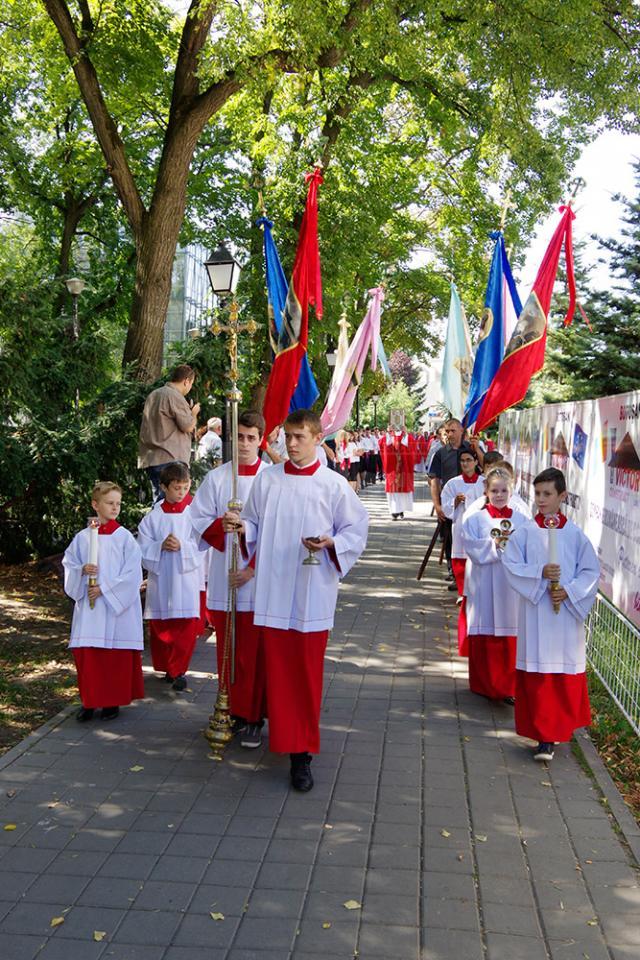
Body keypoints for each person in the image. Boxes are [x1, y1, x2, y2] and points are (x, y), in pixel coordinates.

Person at [228, 409, 368, 791]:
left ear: (317, 438)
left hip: (311, 590)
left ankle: (301, 754)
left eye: (299, 437)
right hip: (273, 590)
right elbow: (254, 523)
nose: (290, 443)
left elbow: (356, 529)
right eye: (287, 436)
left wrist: (331, 543)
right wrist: (243, 527)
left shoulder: (333, 485)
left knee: (305, 674)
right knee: (276, 669)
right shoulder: (268, 481)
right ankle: (279, 735)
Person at [502, 468, 599, 761]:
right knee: (537, 673)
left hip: (564, 617)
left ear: (562, 496)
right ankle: (543, 736)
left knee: (560, 671)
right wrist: (539, 574)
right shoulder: (526, 533)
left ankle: (556, 730)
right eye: (537, 494)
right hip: (535, 613)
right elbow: (511, 564)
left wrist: (569, 590)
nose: (541, 500)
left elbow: (590, 572)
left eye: (547, 494)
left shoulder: (575, 535)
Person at [190, 410, 270, 748]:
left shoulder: (272, 478)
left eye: (252, 438)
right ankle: (231, 709)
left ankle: (253, 716)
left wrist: (248, 539)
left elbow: (277, 530)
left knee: (254, 653)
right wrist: (221, 527)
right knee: (229, 650)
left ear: (261, 440)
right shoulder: (217, 478)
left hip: (259, 578)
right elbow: (197, 518)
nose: (245, 444)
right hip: (225, 576)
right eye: (239, 437)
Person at [62, 481, 144, 722]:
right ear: (95, 505)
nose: (115, 507)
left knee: (113, 658)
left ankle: (111, 702)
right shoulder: (83, 537)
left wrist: (105, 589)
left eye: (118, 503)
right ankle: (89, 701)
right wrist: (81, 569)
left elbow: (133, 574)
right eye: (110, 503)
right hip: (90, 610)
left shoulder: (125, 538)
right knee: (89, 656)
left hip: (114, 608)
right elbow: (70, 564)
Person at [462, 468, 531, 703]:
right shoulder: (475, 519)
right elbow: (471, 547)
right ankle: (484, 684)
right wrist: (495, 546)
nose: (499, 495)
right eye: (494, 490)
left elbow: (529, 549)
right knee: (486, 626)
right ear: (486, 491)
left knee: (510, 631)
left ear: (511, 491)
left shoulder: (522, 520)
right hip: (484, 581)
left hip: (511, 585)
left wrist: (511, 548)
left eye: (503, 490)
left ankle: (508, 686)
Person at [137, 463, 202, 692]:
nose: (182, 492)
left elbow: (204, 545)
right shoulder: (153, 518)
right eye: (176, 488)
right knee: (162, 625)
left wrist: (183, 546)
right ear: (163, 487)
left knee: (185, 625)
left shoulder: (195, 513)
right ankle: (167, 667)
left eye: (185, 487)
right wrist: (159, 546)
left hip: (186, 579)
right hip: (162, 578)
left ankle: (180, 670)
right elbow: (142, 547)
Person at [440, 448, 484, 655]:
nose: (465, 464)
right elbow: (446, 508)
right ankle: (461, 592)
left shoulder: (485, 483)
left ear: (476, 461)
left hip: (480, 530)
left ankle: (471, 591)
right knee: (459, 560)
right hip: (460, 527)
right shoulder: (453, 484)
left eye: (469, 460)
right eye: (462, 461)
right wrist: (454, 503)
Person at [138, 364, 200, 503]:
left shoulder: (154, 394)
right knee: (172, 505)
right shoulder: (174, 396)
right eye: (191, 384)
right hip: (171, 458)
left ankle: (158, 525)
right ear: (186, 381)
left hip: (152, 457)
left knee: (159, 502)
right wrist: (193, 413)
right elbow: (188, 426)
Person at [429, 419, 484, 572]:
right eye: (447, 431)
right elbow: (434, 481)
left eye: (453, 430)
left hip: (474, 503)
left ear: (461, 430)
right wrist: (437, 505)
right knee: (450, 538)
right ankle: (453, 571)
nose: (449, 434)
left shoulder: (471, 448)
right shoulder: (440, 453)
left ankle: (473, 569)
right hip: (450, 502)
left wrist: (477, 449)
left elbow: (487, 467)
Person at [380, 425, 417, 519]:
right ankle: (394, 511)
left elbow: (411, 448)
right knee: (393, 491)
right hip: (392, 469)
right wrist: (388, 432)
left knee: (402, 491)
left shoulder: (407, 437)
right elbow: (383, 445)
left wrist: (405, 435)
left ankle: (401, 510)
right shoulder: (388, 436)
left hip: (403, 469)